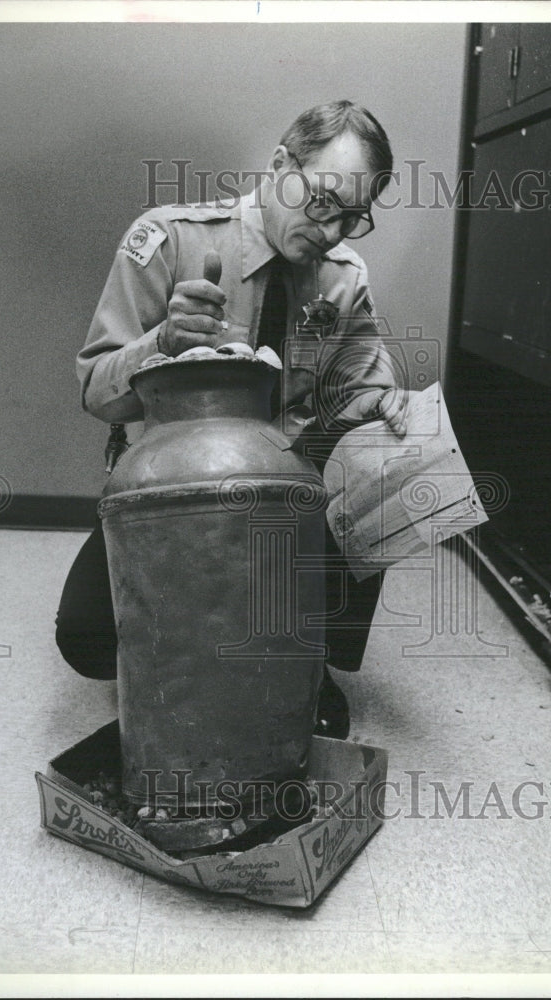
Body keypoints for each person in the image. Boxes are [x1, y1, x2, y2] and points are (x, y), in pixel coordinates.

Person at [57, 100, 408, 739]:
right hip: (175, 492)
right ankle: (191, 640)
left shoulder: (342, 278)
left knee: (388, 452)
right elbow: (96, 393)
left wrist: (385, 406)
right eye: (323, 201)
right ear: (280, 166)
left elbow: (369, 387)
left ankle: (306, 653)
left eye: (353, 217)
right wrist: (160, 344)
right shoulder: (171, 239)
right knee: (86, 637)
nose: (331, 232)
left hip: (287, 496)